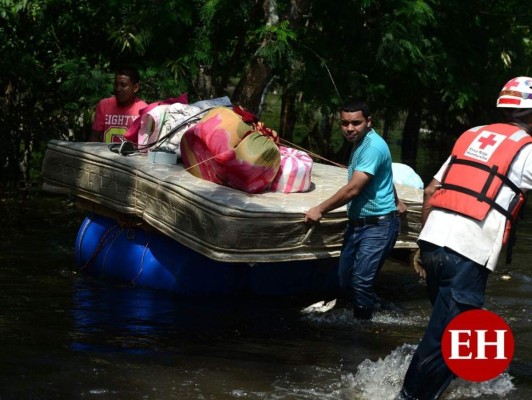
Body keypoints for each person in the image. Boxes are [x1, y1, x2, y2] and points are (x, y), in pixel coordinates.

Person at [397, 76, 532, 400]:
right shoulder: (526, 149)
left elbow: (431, 190)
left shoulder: (472, 136)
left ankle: (443, 390)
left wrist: (420, 246)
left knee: (455, 333)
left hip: (431, 243)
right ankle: (409, 396)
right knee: (450, 339)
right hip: (467, 252)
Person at [305, 99, 404, 320]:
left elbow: (353, 189)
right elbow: (382, 175)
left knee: (361, 282)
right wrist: (396, 198)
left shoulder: (372, 147)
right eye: (344, 123)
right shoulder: (361, 142)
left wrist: (320, 209)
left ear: (369, 121)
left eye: (356, 123)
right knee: (344, 280)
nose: (350, 128)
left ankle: (363, 331)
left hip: (378, 225)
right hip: (358, 223)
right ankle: (380, 309)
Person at [89, 67, 148, 143]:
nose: (118, 89)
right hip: (105, 154)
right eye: (116, 84)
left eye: (123, 85)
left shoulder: (144, 109)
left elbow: (146, 143)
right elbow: (94, 137)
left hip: (131, 155)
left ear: (135, 87)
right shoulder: (104, 105)